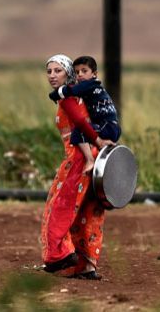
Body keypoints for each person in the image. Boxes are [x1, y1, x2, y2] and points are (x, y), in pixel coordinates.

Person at [40, 54, 114, 280]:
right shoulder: (82, 94)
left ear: (68, 73)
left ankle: (60, 256)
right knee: (88, 211)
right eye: (49, 71)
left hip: (80, 157)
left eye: (58, 71)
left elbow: (82, 123)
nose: (52, 76)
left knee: (59, 206)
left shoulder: (68, 97)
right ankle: (87, 265)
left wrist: (97, 142)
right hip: (94, 155)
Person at [49, 56, 121, 174]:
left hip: (106, 127)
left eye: (84, 71)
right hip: (111, 126)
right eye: (77, 72)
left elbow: (71, 92)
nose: (80, 75)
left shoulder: (88, 86)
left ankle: (89, 160)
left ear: (94, 74)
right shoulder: (90, 88)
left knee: (79, 130)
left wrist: (55, 94)